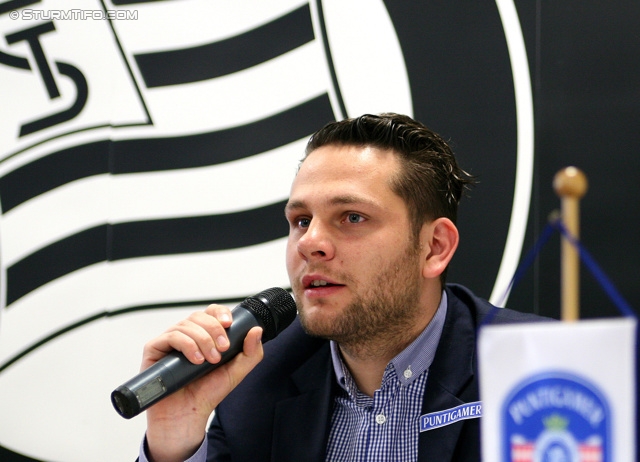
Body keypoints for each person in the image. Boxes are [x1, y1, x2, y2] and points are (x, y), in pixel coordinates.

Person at [138, 113, 547, 462]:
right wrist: (175, 438)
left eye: (352, 217)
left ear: (434, 248)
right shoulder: (255, 382)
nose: (309, 243)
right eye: (301, 220)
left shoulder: (540, 371)